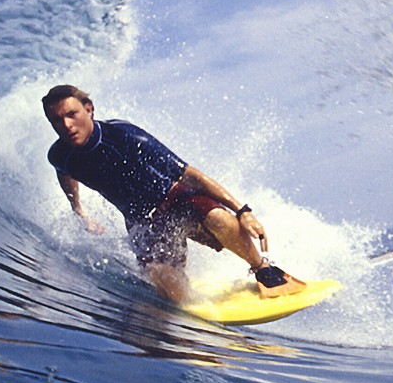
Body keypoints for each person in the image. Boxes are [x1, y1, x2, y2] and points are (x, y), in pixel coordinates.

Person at [42, 84, 307, 303]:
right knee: (166, 283)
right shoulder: (60, 155)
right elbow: (64, 171)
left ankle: (264, 270)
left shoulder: (126, 136)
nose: (65, 124)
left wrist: (243, 211)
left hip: (177, 199)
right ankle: (193, 313)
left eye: (72, 114)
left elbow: (191, 176)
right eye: (56, 119)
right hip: (142, 223)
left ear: (88, 109)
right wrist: (79, 210)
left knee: (219, 219)